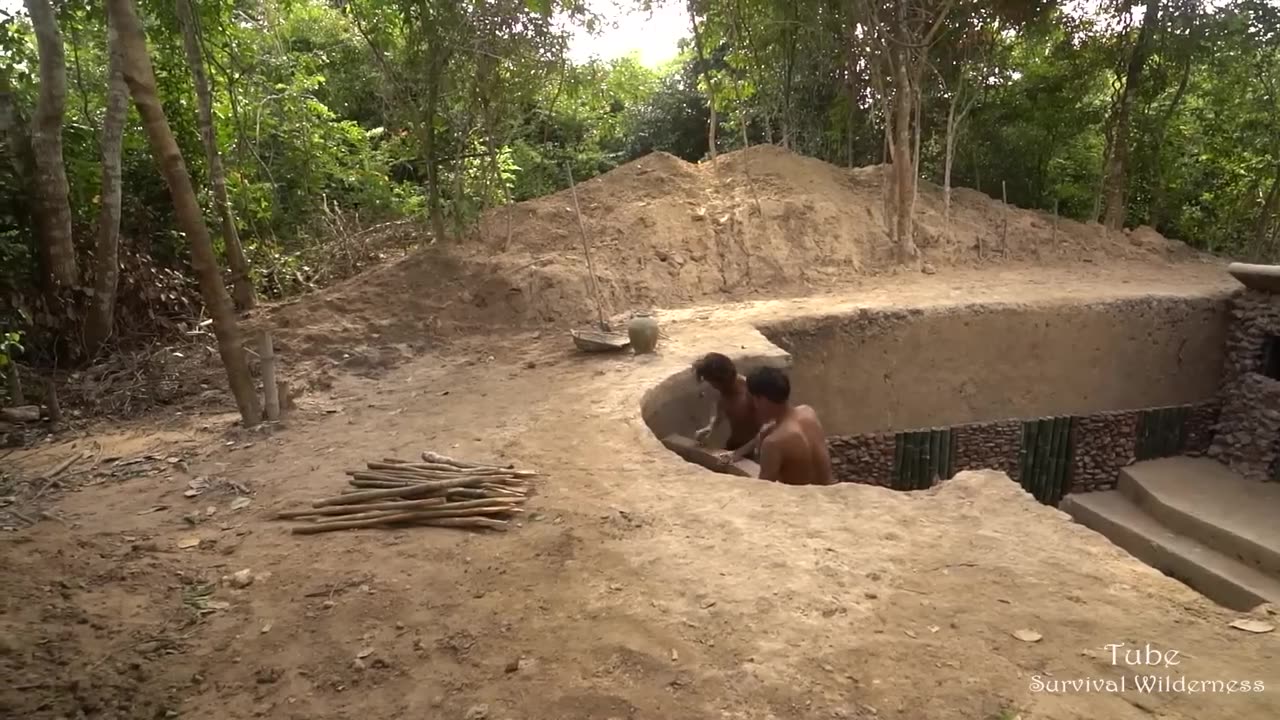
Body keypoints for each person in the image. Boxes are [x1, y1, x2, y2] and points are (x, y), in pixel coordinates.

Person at [745, 366, 834, 486]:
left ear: (762, 399)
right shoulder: (808, 412)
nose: (755, 406)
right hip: (828, 495)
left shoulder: (773, 443)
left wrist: (761, 449)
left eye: (754, 400)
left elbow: (763, 490)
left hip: (802, 502)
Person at [691, 352, 763, 459]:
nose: (712, 386)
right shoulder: (723, 390)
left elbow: (768, 429)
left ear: (724, 380)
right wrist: (711, 426)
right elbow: (719, 407)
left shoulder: (751, 393)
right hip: (734, 446)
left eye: (713, 383)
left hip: (756, 453)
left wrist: (739, 453)